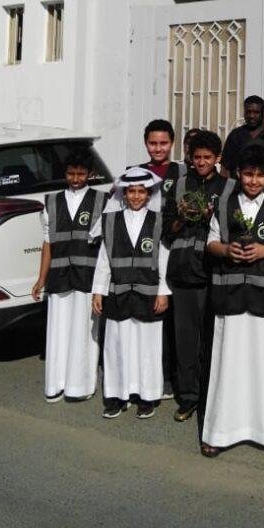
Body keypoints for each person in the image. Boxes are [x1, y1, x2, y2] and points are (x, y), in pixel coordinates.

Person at [202, 144, 264, 458]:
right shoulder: (224, 205)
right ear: (239, 174)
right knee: (227, 364)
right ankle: (219, 432)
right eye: (247, 174)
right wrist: (226, 250)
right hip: (230, 296)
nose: (253, 181)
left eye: (259, 175)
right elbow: (211, 243)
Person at [163, 130, 233, 422]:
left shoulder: (229, 187)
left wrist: (211, 217)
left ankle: (212, 396)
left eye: (207, 157)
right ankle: (189, 397)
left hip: (215, 271)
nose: (201, 162)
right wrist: (181, 218)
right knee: (186, 340)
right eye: (197, 157)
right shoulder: (180, 185)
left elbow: (236, 228)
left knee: (214, 339)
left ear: (217, 158)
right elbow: (166, 230)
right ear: (190, 157)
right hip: (183, 272)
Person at [91, 167, 170, 419]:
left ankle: (147, 396)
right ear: (124, 194)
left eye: (141, 191)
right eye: (131, 191)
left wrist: (163, 292)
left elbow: (164, 259)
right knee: (116, 347)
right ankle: (117, 396)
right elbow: (104, 259)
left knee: (147, 347)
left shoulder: (158, 220)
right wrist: (98, 291)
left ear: (149, 194)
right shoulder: (110, 220)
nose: (136, 196)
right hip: (118, 293)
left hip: (148, 293)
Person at [32, 149, 106, 403]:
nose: (75, 179)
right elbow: (47, 243)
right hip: (59, 278)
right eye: (71, 174)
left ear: (90, 174)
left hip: (87, 279)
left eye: (81, 174)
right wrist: (41, 279)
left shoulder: (101, 201)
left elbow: (105, 248)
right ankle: (56, 384)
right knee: (58, 332)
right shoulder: (51, 202)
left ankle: (80, 386)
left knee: (84, 333)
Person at [139, 117, 185, 398]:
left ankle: (171, 376)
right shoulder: (135, 173)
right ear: (146, 143)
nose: (158, 148)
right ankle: (148, 376)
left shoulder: (182, 172)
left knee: (173, 319)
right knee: (150, 315)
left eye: (163, 143)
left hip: (175, 251)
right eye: (153, 143)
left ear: (172, 143)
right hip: (145, 253)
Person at [220, 96, 264, 177]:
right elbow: (225, 167)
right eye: (248, 112)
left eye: (256, 112)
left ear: (263, 113)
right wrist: (227, 185)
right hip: (237, 183)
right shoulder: (235, 135)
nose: (251, 116)